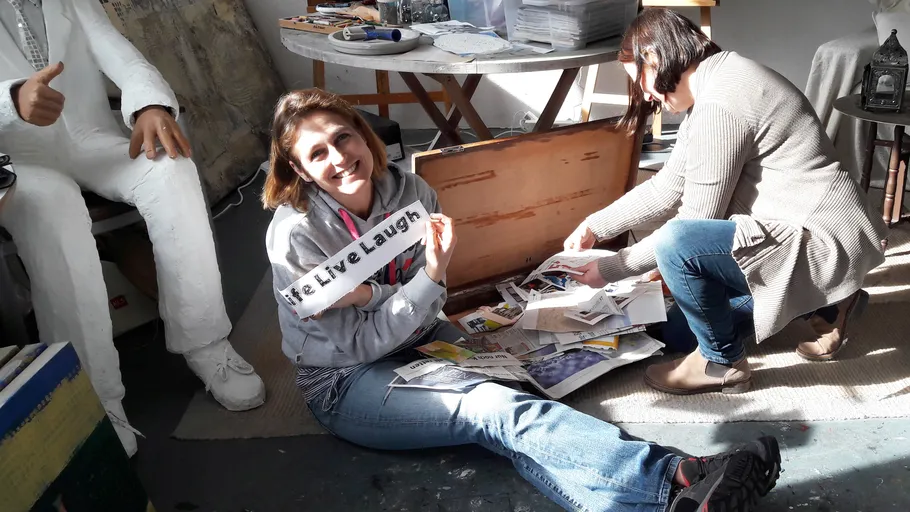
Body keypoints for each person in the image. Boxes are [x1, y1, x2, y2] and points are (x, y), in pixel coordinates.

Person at [263, 87, 782, 511]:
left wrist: (383, 292)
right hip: (346, 378)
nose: (339, 157)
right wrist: (428, 279)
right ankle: (678, 473)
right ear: (299, 170)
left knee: (521, 402)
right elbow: (361, 343)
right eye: (317, 153)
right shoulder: (295, 237)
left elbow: (423, 301)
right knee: (493, 408)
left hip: (421, 337)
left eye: (342, 137)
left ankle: (674, 505)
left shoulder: (413, 193)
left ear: (362, 134)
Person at [565, 8, 888, 395]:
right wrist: (595, 226)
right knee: (674, 330)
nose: (647, 96)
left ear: (656, 59)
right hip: (820, 230)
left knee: (676, 245)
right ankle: (830, 303)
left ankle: (721, 362)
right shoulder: (718, 81)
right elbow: (667, 187)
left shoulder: (720, 103)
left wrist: (612, 268)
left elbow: (693, 224)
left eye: (642, 82)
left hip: (819, 240)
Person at [0, 0, 265, 456]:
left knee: (170, 169)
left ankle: (206, 343)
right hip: (17, 158)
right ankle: (93, 392)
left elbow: (121, 54)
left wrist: (150, 105)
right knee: (56, 211)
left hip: (89, 140)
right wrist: (11, 101)